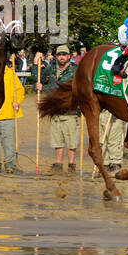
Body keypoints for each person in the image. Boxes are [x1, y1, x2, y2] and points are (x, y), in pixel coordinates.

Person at [37, 45, 79, 175]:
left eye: (64, 54)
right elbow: (38, 79)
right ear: (56, 56)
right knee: (57, 141)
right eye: (59, 54)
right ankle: (58, 164)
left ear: (69, 56)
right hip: (56, 111)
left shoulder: (76, 70)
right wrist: (35, 65)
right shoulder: (50, 69)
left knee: (72, 142)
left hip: (71, 111)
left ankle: (72, 165)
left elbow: (59, 87)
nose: (62, 57)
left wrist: (44, 87)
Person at [0, 55, 25, 174]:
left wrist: (17, 102)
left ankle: (10, 165)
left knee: (8, 140)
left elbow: (20, 90)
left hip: (8, 113)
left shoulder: (10, 74)